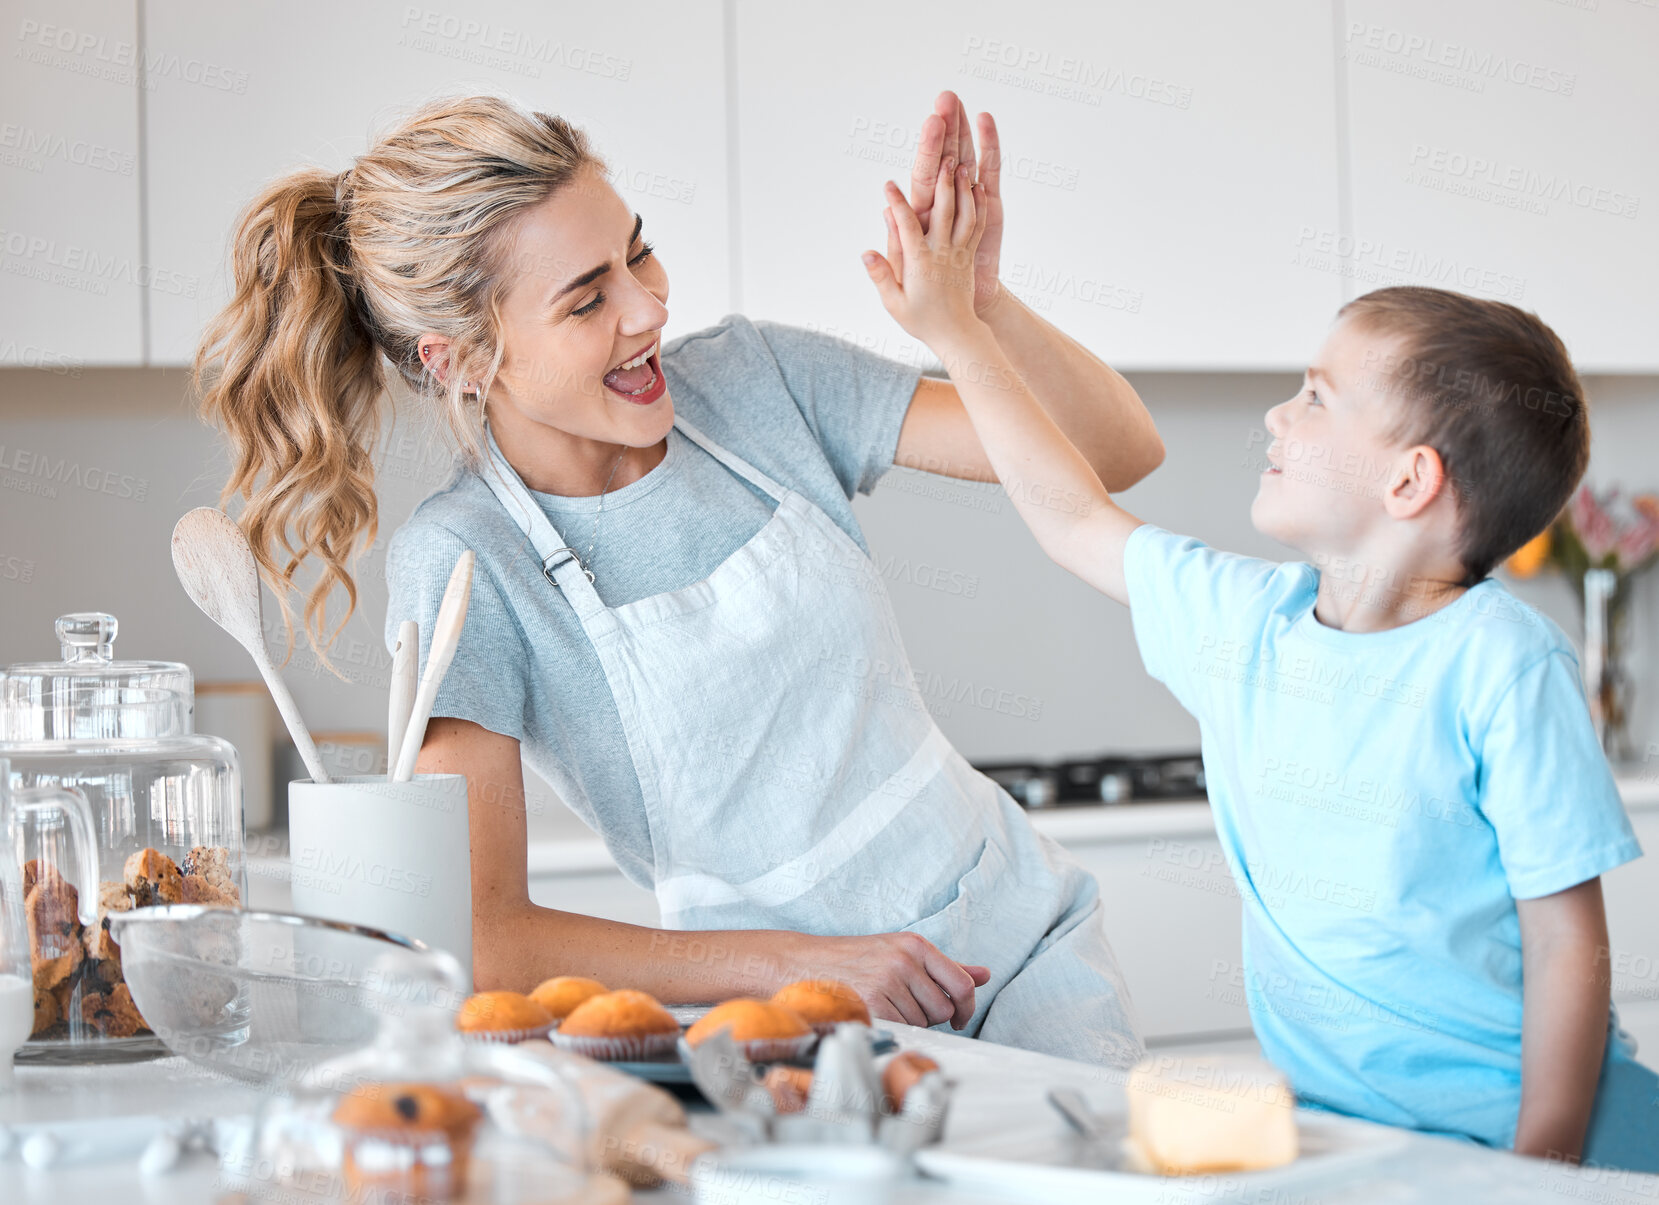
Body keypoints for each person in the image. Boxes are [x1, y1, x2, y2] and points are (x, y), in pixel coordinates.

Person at [193, 90, 1163, 1066]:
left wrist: (975, 313)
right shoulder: (467, 561)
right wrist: (800, 963)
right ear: (462, 363)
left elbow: (1113, 451)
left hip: (1024, 949)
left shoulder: (754, 384)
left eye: (638, 253)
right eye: (586, 298)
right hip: (797, 1029)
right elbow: (490, 938)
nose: (649, 307)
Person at [859, 153, 1657, 1168]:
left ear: (1412, 479)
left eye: (1318, 398)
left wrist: (1538, 1165)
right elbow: (1070, 515)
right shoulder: (1244, 621)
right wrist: (969, 325)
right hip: (1360, 1141)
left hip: (1559, 1135)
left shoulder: (1506, 664)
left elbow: (1568, 943)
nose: (1279, 417)